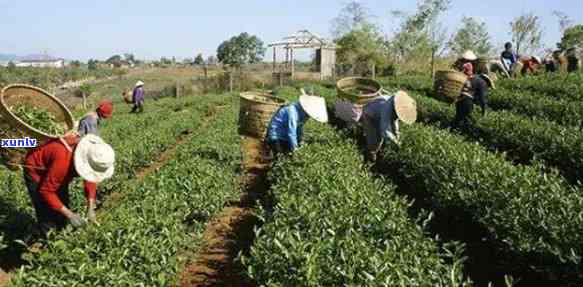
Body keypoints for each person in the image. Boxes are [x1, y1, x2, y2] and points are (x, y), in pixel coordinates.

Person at [23, 132, 115, 235]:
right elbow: (46, 191)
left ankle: (61, 229)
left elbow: (90, 179)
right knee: (46, 211)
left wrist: (91, 206)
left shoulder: (91, 151)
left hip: (56, 168)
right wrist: (70, 215)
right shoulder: (63, 159)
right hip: (37, 170)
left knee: (62, 204)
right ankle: (44, 235)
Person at [266, 92, 328, 156]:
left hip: (286, 137)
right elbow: (291, 132)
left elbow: (299, 128)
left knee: (288, 155)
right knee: (280, 156)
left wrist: (300, 140)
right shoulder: (292, 111)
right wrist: (295, 149)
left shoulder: (304, 114)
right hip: (277, 136)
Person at [361, 90, 417, 162]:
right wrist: (397, 143)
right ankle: (369, 159)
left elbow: (394, 123)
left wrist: (397, 136)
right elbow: (385, 130)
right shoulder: (387, 108)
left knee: (380, 139)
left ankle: (375, 153)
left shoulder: (395, 105)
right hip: (368, 116)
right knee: (375, 141)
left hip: (378, 115)